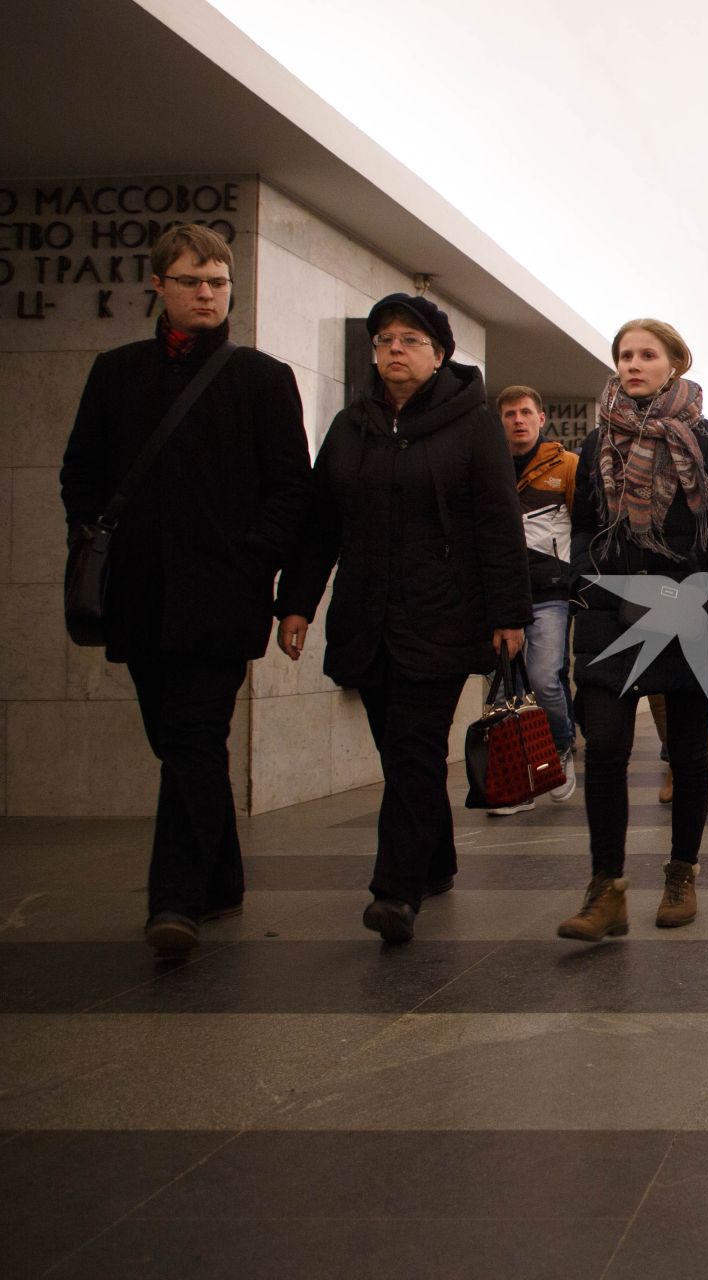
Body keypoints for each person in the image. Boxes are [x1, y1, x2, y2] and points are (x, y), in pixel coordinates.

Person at [59, 223, 311, 956]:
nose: (207, 294)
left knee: (196, 737)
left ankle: (174, 902)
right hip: (138, 596)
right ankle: (224, 876)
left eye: (218, 283)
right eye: (192, 281)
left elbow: (290, 488)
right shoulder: (116, 371)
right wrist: (97, 534)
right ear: (158, 287)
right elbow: (80, 472)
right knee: (173, 741)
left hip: (220, 597)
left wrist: (249, 557)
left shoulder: (261, 378)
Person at [276, 294, 530, 943]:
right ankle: (436, 859)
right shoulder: (351, 425)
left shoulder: (472, 423)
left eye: (409, 340)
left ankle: (394, 889)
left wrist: (507, 611)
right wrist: (299, 601)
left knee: (416, 747)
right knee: (400, 753)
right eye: (384, 338)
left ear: (439, 354)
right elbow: (320, 522)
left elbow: (499, 524)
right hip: (367, 615)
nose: (394, 348)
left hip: (443, 615)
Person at [557, 318, 708, 941]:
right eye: (624, 355)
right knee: (606, 751)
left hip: (690, 610)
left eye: (647, 354)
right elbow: (583, 526)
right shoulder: (598, 443)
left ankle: (682, 873)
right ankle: (606, 889)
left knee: (687, 753)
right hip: (611, 613)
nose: (632, 364)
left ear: (675, 362)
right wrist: (584, 580)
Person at [490, 384, 579, 814]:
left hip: (550, 593)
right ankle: (519, 780)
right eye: (510, 414)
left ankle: (562, 749)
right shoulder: (488, 465)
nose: (518, 420)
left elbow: (585, 527)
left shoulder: (567, 466)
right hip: (499, 593)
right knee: (508, 690)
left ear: (541, 418)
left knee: (545, 678)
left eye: (526, 412)